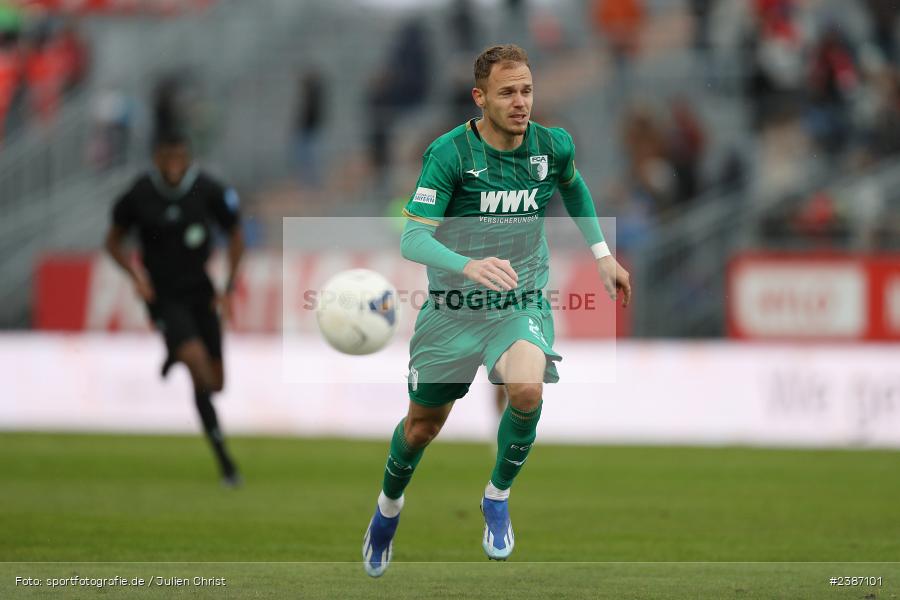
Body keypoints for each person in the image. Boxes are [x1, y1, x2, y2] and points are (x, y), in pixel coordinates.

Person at [362, 44, 631, 576]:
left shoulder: (552, 146)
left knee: (526, 389)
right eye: (507, 92)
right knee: (420, 429)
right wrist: (467, 265)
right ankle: (387, 509)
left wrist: (603, 254)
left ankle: (497, 497)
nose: (521, 101)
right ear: (480, 98)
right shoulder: (450, 155)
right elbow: (413, 239)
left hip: (519, 299)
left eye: (527, 90)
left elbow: (573, 187)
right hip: (453, 309)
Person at [104, 129, 244, 487]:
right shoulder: (140, 193)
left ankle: (174, 353)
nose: (174, 165)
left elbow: (235, 233)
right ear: (156, 159)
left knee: (215, 383)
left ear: (188, 157)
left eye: (180, 157)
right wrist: (135, 276)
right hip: (164, 297)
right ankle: (226, 464)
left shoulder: (207, 189)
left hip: (201, 293)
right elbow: (113, 241)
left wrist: (228, 287)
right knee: (198, 366)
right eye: (167, 157)